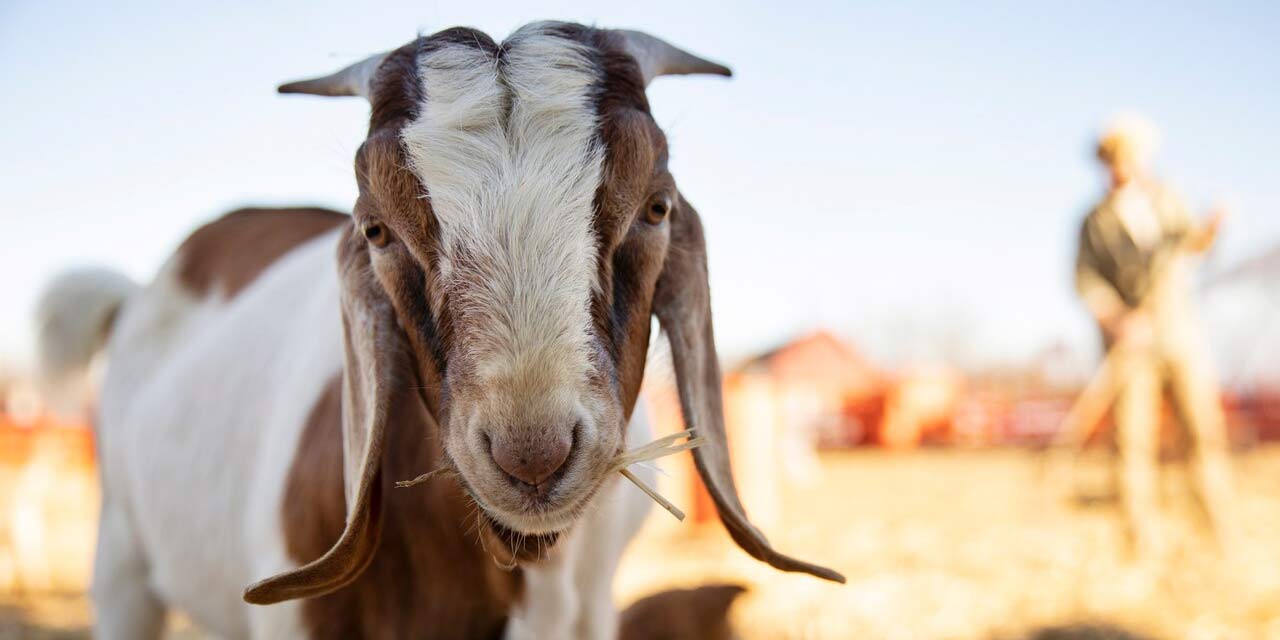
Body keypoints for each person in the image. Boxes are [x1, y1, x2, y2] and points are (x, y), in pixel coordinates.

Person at [1074, 114, 1236, 559]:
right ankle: (1139, 541)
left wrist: (1211, 229)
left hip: (1181, 336)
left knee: (1203, 431)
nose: (1123, 166)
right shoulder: (1094, 221)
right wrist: (1117, 319)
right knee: (1132, 442)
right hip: (1130, 348)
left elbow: (1192, 248)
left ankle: (1217, 528)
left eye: (1130, 157)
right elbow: (1087, 283)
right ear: (1106, 162)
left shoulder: (1168, 200)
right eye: (1115, 158)